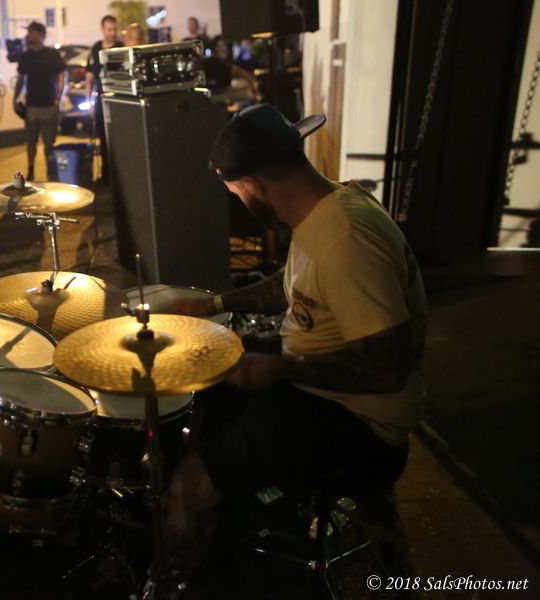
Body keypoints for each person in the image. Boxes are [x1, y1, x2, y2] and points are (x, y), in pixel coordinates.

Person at [164, 104, 427, 577]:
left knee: (190, 482)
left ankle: (184, 576)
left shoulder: (346, 240)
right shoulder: (325, 208)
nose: (241, 203)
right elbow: (292, 286)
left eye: (237, 194)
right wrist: (213, 305)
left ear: (254, 186)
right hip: (322, 386)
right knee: (207, 376)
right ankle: (236, 506)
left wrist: (281, 368)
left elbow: (389, 369)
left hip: (362, 424)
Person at [13, 22, 65, 181]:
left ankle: (50, 173)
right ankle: (31, 171)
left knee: (49, 144)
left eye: (32, 32)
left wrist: (58, 100)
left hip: (48, 105)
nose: (29, 35)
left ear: (41, 34)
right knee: (31, 143)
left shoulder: (51, 54)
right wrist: (15, 98)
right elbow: (21, 79)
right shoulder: (26, 56)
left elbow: (62, 77)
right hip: (31, 106)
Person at [85, 15, 123, 182]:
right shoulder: (95, 48)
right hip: (101, 101)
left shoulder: (120, 48)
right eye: (109, 29)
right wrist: (89, 102)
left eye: (114, 29)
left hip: (118, 101)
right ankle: (106, 174)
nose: (112, 33)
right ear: (102, 29)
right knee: (102, 137)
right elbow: (89, 77)